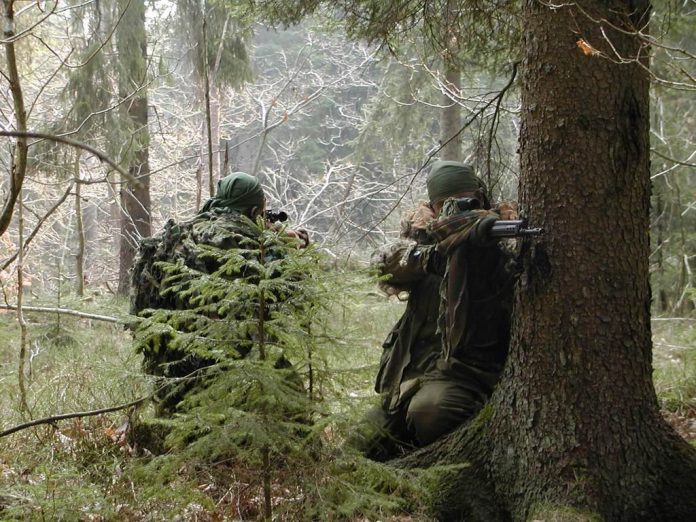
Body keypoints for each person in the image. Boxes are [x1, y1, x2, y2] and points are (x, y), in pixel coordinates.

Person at [355, 160, 516, 460]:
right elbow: (385, 264)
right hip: (410, 377)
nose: (460, 209)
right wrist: (431, 255)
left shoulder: (494, 237)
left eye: (469, 200)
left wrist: (481, 249)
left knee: (427, 413)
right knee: (355, 448)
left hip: (462, 377)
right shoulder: (426, 239)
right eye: (447, 204)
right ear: (432, 207)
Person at [130, 171, 308, 414]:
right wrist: (283, 247)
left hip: (168, 369)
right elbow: (288, 292)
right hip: (218, 368)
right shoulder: (244, 242)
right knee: (294, 400)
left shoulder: (183, 233)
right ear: (254, 209)